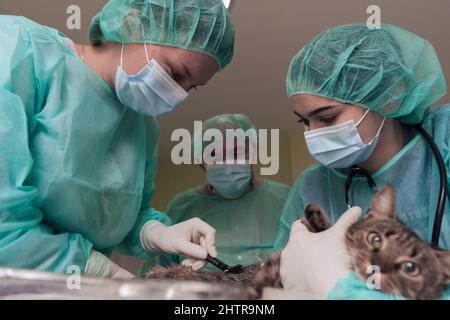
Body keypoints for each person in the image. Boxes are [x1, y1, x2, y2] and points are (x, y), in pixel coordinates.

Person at [0, 0, 235, 279]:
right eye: (176, 74)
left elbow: (124, 218)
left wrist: (157, 233)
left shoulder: (143, 128)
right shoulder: (20, 51)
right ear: (134, 21)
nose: (179, 94)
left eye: (191, 87)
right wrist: (93, 268)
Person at [275, 23, 450, 299]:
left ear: (388, 95)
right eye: (304, 121)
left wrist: (343, 291)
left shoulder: (445, 140)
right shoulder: (312, 187)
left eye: (328, 117)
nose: (312, 134)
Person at [142, 114, 290, 272]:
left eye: (237, 152)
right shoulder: (182, 206)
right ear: (201, 163)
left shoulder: (283, 198)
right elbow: (156, 274)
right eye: (214, 155)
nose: (227, 163)